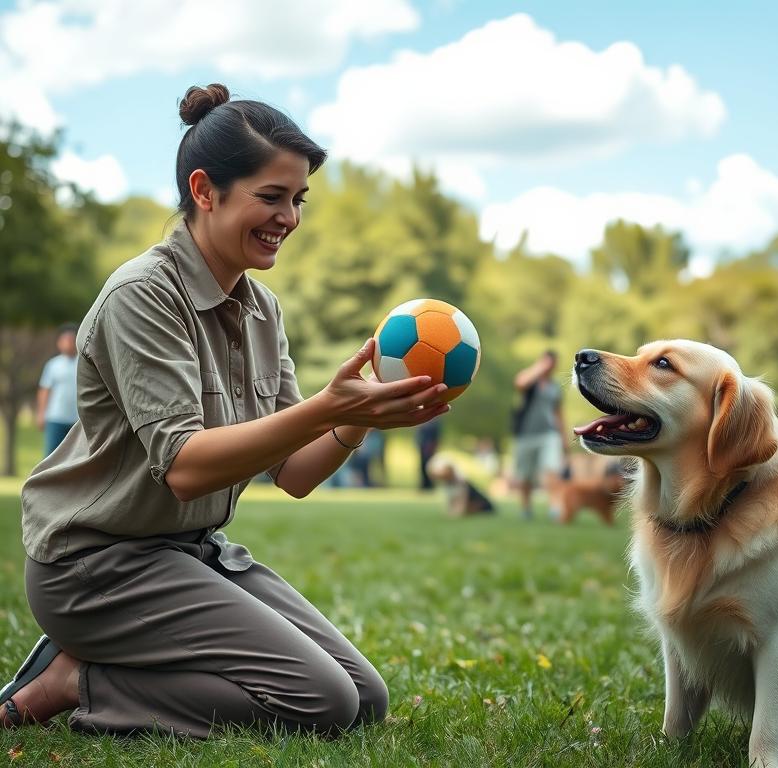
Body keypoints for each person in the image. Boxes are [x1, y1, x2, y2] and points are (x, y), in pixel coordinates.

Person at [0, 84, 449, 738]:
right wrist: (326, 403)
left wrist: (358, 420)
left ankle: (101, 670)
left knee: (363, 696)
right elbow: (184, 468)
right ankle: (77, 679)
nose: (289, 218)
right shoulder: (142, 296)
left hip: (190, 552)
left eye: (298, 200)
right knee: (322, 702)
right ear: (205, 190)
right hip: (96, 567)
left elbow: (293, 471)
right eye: (271, 197)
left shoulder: (263, 310)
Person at [511, 350, 567, 519]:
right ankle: (526, 509)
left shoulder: (555, 386)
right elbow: (520, 384)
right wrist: (539, 368)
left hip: (549, 434)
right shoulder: (530, 379)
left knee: (552, 470)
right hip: (526, 434)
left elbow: (558, 413)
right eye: (547, 362)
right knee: (525, 475)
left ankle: (555, 507)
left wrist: (564, 438)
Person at [35, 323, 80, 457]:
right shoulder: (53, 365)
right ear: (59, 343)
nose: (68, 343)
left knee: (75, 456)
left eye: (71, 340)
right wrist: (41, 414)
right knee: (51, 455)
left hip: (78, 420)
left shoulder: (84, 364)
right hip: (56, 418)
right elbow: (44, 390)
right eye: (65, 340)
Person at [415, 418, 442, 490]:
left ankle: (429, 484)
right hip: (423, 446)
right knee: (423, 465)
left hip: (430, 447)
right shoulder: (423, 423)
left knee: (430, 466)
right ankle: (424, 484)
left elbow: (436, 437)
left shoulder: (435, 423)